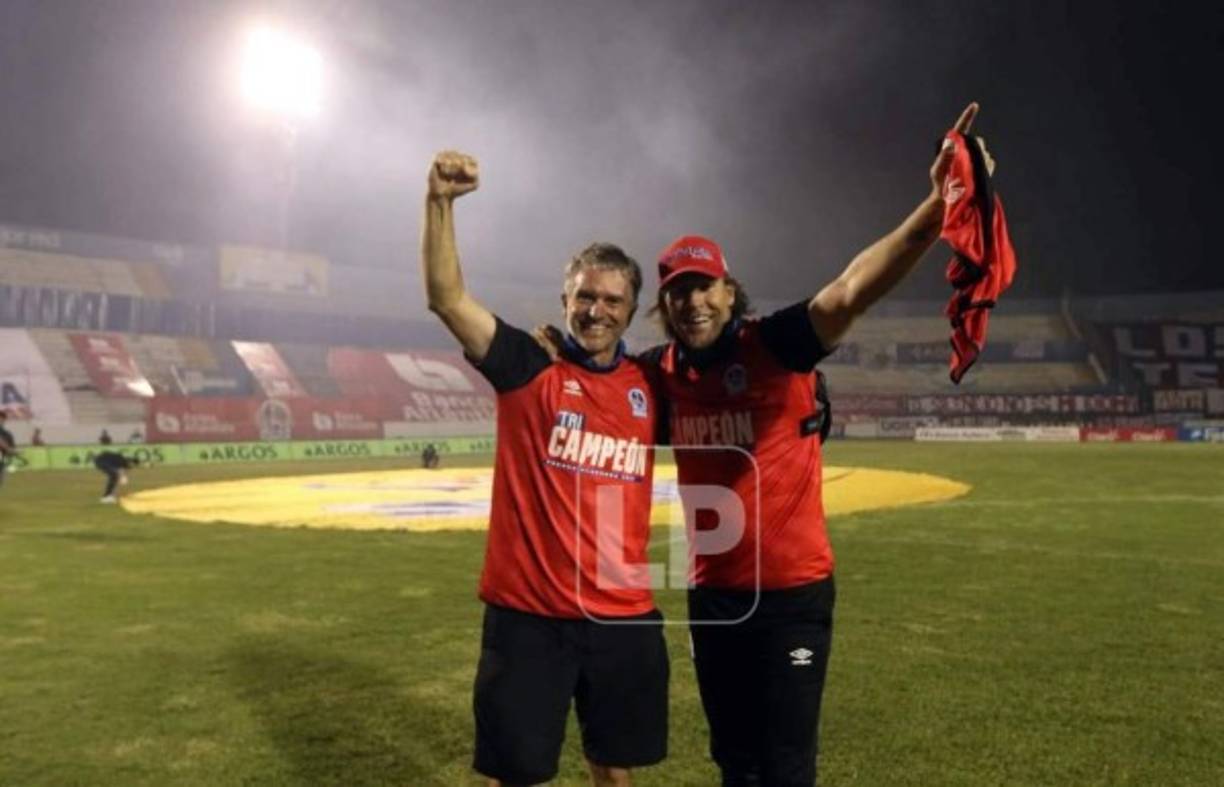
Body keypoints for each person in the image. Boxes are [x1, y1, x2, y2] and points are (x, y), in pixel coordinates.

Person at [645, 103, 986, 786]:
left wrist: (938, 204)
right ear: (666, 305)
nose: (693, 302)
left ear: (728, 289)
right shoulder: (660, 375)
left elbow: (853, 285)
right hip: (714, 598)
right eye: (678, 292)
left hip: (793, 597)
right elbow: (589, 388)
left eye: (704, 286)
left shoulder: (775, 344)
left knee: (787, 764)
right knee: (734, 761)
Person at [421, 150, 668, 786]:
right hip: (529, 618)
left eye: (614, 300)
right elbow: (447, 298)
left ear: (632, 311)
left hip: (621, 614)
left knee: (614, 768)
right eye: (586, 296)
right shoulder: (528, 367)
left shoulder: (651, 386)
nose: (597, 310)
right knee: (518, 774)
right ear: (565, 297)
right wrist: (440, 203)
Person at [0, 411, 19, 489]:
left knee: (1, 481)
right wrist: (8, 449)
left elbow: (12, 448)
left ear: (4, 420)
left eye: (1, 419)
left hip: (3, 460)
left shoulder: (7, 434)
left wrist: (13, 452)